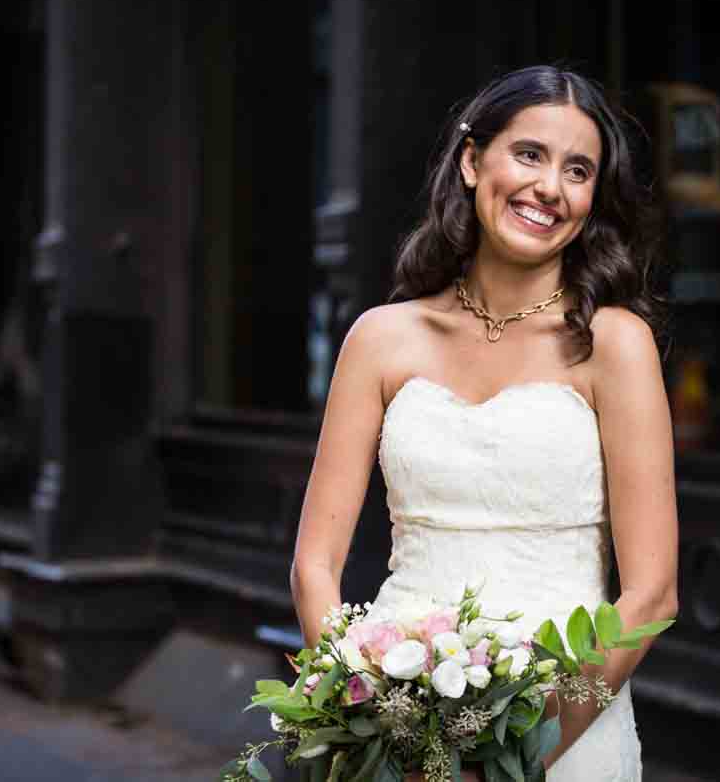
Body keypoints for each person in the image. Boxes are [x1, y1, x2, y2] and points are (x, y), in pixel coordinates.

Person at [290, 65, 679, 781]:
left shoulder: (615, 343)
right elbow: (314, 565)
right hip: (396, 727)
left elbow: (652, 593)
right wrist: (364, 714)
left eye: (578, 170)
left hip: (564, 728)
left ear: (592, 200)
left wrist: (511, 758)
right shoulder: (380, 338)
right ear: (473, 161)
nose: (549, 188)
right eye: (529, 154)